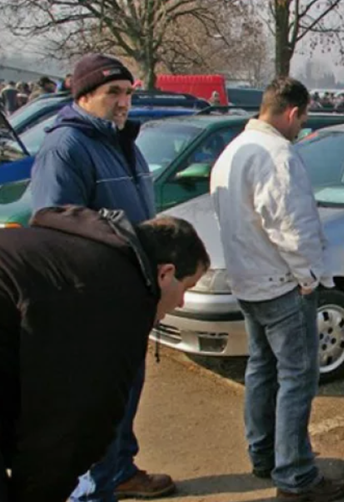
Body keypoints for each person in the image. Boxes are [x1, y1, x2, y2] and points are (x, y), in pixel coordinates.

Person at [30, 53, 174, 501]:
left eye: (128, 92)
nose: (123, 101)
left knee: (124, 396)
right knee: (98, 407)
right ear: (84, 95)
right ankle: (95, 489)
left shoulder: (120, 141)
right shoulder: (67, 147)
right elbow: (56, 225)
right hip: (95, 302)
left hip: (131, 294)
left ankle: (120, 470)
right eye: (113, 92)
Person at [0, 207, 209, 502]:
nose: (182, 303)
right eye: (187, 288)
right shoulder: (115, 299)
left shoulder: (79, 253)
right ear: (166, 273)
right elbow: (73, 426)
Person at [210, 77, 344, 502]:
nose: (301, 129)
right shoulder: (278, 156)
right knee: (297, 378)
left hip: (249, 282)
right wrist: (309, 279)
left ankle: (265, 455)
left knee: (262, 369)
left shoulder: (232, 152)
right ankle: (296, 476)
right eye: (302, 120)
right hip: (282, 285)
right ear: (292, 113)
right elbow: (294, 228)